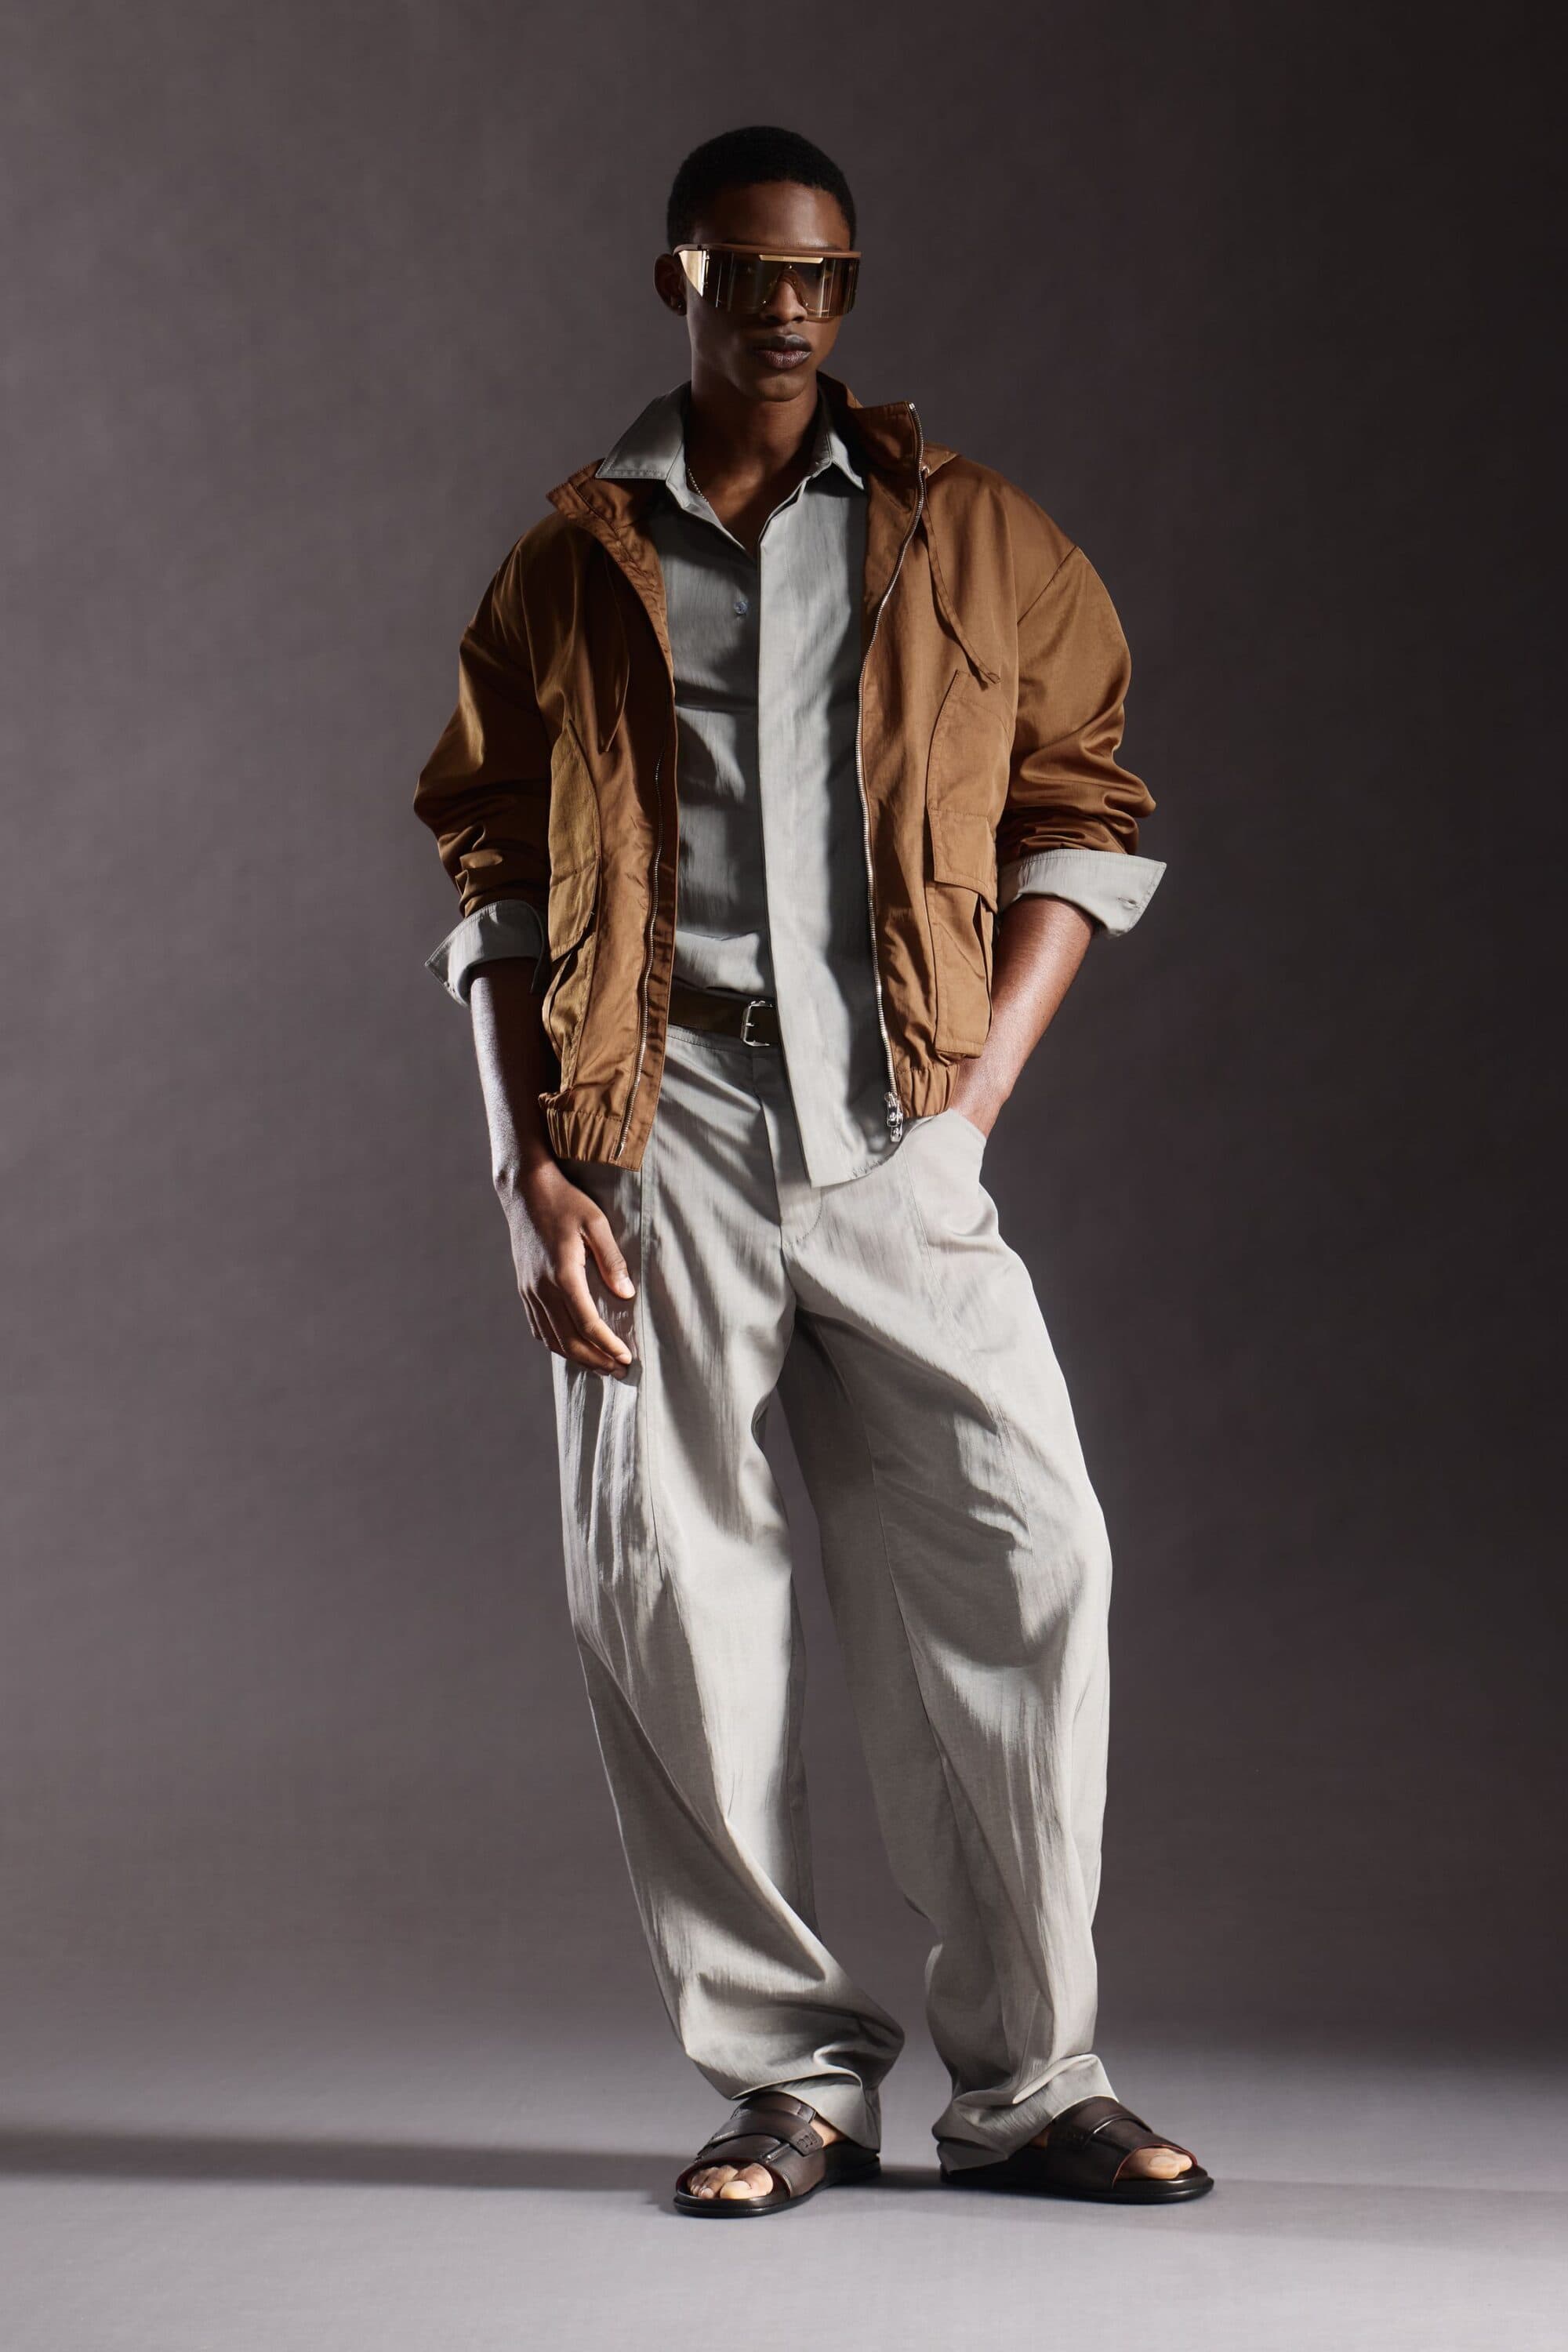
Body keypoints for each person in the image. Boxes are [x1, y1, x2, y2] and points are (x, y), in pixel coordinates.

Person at [414, 123, 1211, 2214]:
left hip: (895, 1131)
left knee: (1032, 1557)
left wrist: (973, 1101)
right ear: (674, 278)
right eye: (748, 270)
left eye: (822, 275)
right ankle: (787, 2076)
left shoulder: (978, 538)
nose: (787, 307)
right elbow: (495, 869)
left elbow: (1087, 811)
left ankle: (1031, 2078)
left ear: (848, 292)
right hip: (653, 1118)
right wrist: (527, 1170)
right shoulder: (569, 559)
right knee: (671, 1593)